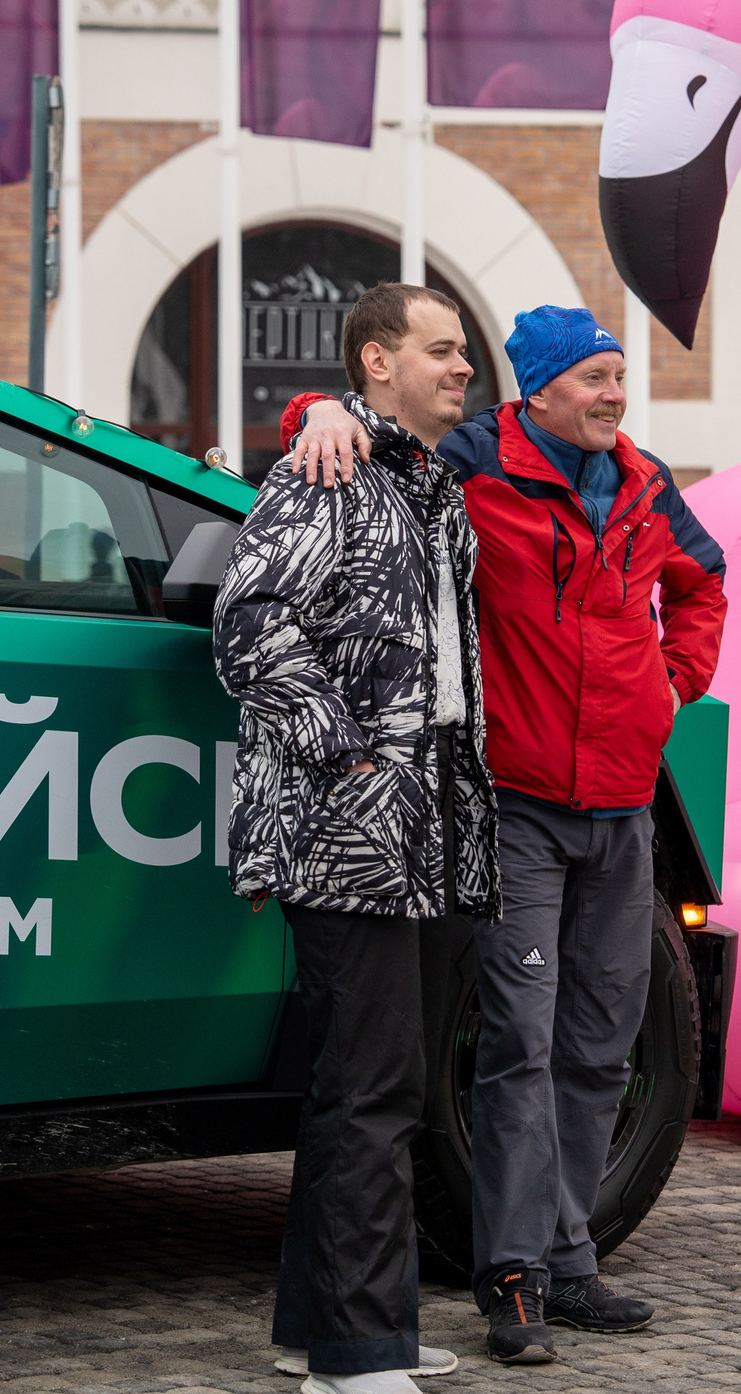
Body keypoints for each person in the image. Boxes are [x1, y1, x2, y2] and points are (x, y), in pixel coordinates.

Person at [279, 304, 727, 1367]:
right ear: (539, 389)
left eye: (621, 377)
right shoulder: (479, 457)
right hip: (518, 802)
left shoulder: (648, 482)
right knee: (517, 1043)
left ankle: (571, 1256)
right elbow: (372, 425)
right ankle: (512, 1272)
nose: (615, 397)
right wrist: (316, 413)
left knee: (600, 1041)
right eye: (596, 378)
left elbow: (703, 582)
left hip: (623, 807)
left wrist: (673, 685)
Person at [213, 282, 498, 1394]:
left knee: (378, 1084)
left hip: (423, 828)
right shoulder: (322, 469)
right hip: (349, 824)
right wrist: (346, 752)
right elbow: (248, 622)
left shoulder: (429, 487)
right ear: (376, 363)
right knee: (371, 1091)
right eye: (440, 349)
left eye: (464, 350)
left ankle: (322, 1323)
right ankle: (359, 1350)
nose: (461, 365)